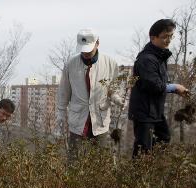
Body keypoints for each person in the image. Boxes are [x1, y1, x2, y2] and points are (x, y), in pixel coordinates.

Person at [57, 29, 124, 160]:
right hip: (78, 120)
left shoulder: (110, 63)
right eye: (83, 50)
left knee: (99, 161)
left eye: (89, 49)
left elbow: (115, 88)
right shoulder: (71, 64)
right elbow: (64, 91)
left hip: (100, 119)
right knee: (74, 160)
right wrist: (60, 112)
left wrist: (116, 97)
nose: (86, 53)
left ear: (97, 43)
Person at [128, 19, 189, 157]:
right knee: (143, 151)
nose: (168, 40)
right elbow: (154, 85)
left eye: (170, 36)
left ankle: (153, 172)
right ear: (153, 37)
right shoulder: (147, 59)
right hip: (144, 112)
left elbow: (160, 81)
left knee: (163, 138)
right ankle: (138, 177)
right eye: (164, 37)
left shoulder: (159, 56)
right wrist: (174, 87)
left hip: (155, 110)